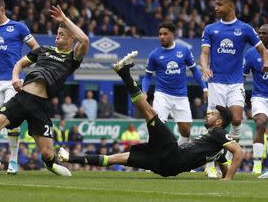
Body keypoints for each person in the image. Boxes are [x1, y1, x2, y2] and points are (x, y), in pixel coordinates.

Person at [59, 51, 244, 180]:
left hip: (172, 154)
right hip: (165, 166)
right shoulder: (217, 148)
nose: (207, 115)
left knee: (150, 113)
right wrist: (226, 174)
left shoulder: (218, 134)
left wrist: (227, 179)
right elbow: (224, 162)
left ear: (219, 122)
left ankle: (125, 74)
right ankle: (69, 158)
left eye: (212, 114)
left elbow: (239, 152)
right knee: (115, 158)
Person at [0, 5, 89, 178]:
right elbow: (20, 64)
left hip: (41, 105)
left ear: (72, 39)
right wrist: (15, 77)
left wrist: (65, 19)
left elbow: (85, 40)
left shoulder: (72, 58)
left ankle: (51, 165)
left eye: (62, 34)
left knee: (46, 153)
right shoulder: (43, 50)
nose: (57, 36)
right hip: (22, 98)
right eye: (57, 33)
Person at [200, 0, 268, 177]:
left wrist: (266, 62)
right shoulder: (210, 29)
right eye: (216, 4)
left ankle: (230, 154)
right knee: (214, 125)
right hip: (215, 83)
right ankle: (210, 164)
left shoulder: (245, 29)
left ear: (231, 6)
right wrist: (205, 67)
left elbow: (262, 49)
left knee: (236, 119)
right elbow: (204, 53)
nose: (216, 8)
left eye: (220, 4)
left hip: (235, 82)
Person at [0, 0, 40, 175]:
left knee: (11, 119)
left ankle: (13, 159)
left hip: (13, 80)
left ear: (2, 10)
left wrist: (21, 67)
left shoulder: (19, 27)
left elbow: (36, 48)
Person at [143, 22, 207, 146]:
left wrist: (204, 88)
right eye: (160, 34)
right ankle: (149, 160)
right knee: (156, 128)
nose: (162, 37)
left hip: (181, 96)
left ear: (173, 34)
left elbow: (195, 70)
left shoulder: (184, 51)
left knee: (186, 131)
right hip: (162, 95)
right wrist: (144, 92)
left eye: (165, 34)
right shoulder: (154, 55)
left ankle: (176, 154)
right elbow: (147, 76)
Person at [243, 24, 268, 175]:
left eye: (264, 33)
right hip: (259, 96)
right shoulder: (251, 53)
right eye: (259, 33)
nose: (261, 35)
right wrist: (241, 93)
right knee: (261, 123)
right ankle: (257, 164)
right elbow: (243, 75)